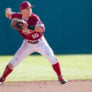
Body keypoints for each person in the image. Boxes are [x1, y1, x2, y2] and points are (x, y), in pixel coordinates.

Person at [0, 1, 67, 85]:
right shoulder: (18, 16)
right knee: (13, 63)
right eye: (27, 8)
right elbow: (9, 15)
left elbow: (42, 29)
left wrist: (28, 26)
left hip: (40, 43)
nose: (30, 9)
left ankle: (61, 77)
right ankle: (1, 79)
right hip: (27, 44)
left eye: (30, 8)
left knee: (52, 58)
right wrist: (7, 11)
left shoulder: (34, 18)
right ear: (22, 10)